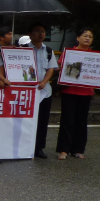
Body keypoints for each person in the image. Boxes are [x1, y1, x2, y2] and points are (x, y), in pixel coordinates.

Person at [57, 28, 95, 160]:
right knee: (67, 120)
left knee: (81, 121)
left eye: (90, 36)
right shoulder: (70, 53)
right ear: (77, 38)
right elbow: (60, 67)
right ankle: (64, 149)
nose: (87, 38)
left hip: (86, 92)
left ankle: (78, 149)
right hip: (70, 90)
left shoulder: (95, 56)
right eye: (84, 35)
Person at [24, 22, 58, 159]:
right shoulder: (23, 49)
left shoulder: (48, 50)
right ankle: (26, 147)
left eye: (43, 31)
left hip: (44, 91)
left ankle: (39, 148)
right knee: (27, 121)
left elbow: (51, 68)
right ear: (30, 34)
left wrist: (44, 82)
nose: (41, 34)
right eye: (37, 31)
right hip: (27, 91)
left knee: (42, 121)